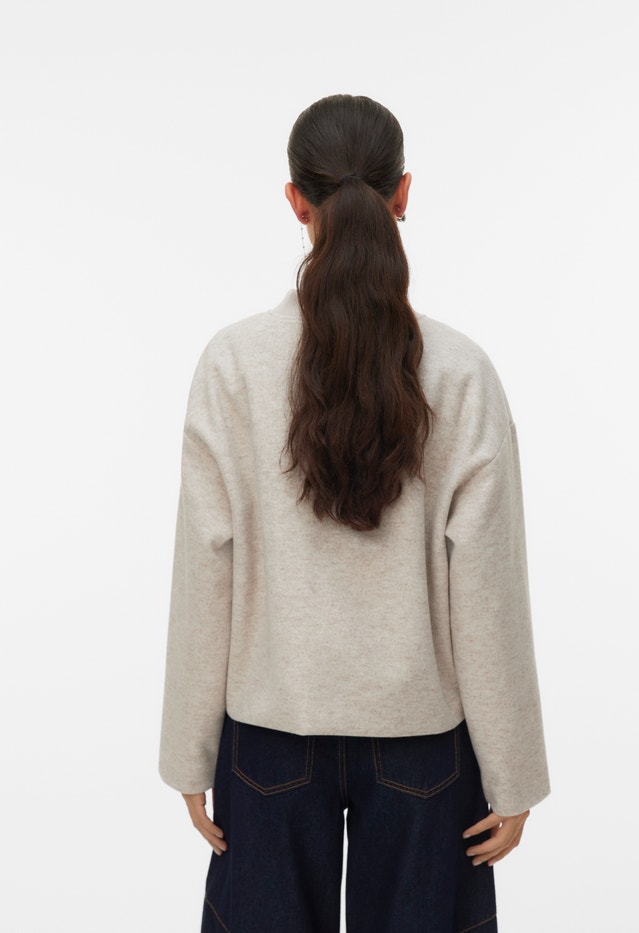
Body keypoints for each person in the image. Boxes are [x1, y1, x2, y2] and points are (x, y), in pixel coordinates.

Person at [159, 93, 550, 933]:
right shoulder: (462, 372)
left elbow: (206, 564)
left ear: (294, 202)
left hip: (268, 739)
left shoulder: (233, 365)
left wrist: (188, 752)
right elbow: (486, 586)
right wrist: (514, 771)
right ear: (403, 193)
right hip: (424, 747)